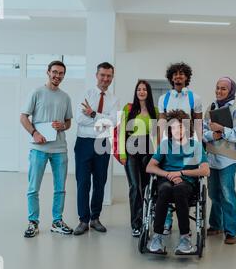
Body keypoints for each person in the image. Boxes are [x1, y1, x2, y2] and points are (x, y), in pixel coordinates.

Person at [20, 60, 74, 238]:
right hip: (39, 148)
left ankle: (57, 221)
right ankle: (33, 222)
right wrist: (34, 133)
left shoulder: (65, 97)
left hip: (59, 149)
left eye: (61, 73)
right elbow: (23, 118)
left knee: (60, 188)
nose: (57, 76)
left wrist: (63, 126)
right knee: (33, 188)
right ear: (48, 72)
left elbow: (68, 122)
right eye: (55, 72)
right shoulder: (37, 92)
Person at [146, 110, 210, 254]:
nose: (177, 130)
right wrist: (169, 174)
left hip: (187, 183)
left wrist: (181, 173)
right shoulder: (165, 144)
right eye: (173, 127)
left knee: (179, 190)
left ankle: (185, 239)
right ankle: (157, 237)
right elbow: (150, 167)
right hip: (166, 181)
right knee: (164, 190)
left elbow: (206, 171)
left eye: (180, 127)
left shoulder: (196, 146)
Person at [73, 62, 120, 235]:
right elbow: (79, 119)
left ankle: (95, 218)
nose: (105, 79)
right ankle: (83, 220)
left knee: (100, 182)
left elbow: (113, 122)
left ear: (112, 77)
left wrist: (93, 114)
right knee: (83, 182)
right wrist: (102, 119)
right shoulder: (86, 94)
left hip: (102, 143)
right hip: (84, 142)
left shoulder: (114, 99)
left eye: (109, 76)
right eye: (102, 75)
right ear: (96, 75)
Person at [158, 62, 203, 235]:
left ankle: (184, 218)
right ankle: (167, 222)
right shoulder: (164, 99)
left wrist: (198, 145)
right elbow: (162, 123)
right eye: (175, 74)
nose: (178, 76)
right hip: (169, 142)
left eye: (182, 74)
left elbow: (198, 123)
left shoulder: (194, 98)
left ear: (186, 77)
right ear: (171, 78)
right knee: (167, 179)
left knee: (183, 179)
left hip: (188, 143)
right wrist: (161, 144)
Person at [203, 77, 236, 244]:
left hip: (228, 160)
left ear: (230, 92)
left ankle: (230, 231)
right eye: (217, 88)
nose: (219, 91)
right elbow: (203, 131)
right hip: (211, 158)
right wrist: (212, 135)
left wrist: (221, 129)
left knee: (227, 194)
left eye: (223, 89)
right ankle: (216, 225)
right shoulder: (210, 109)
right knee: (214, 194)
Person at [119, 80, 159, 237]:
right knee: (135, 187)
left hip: (148, 150)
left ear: (148, 92)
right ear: (135, 92)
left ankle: (146, 219)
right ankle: (136, 224)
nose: (141, 92)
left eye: (144, 89)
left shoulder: (154, 110)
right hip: (131, 151)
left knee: (146, 187)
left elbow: (157, 135)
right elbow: (122, 132)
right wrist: (122, 154)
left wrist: (158, 155)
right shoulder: (128, 109)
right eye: (139, 89)